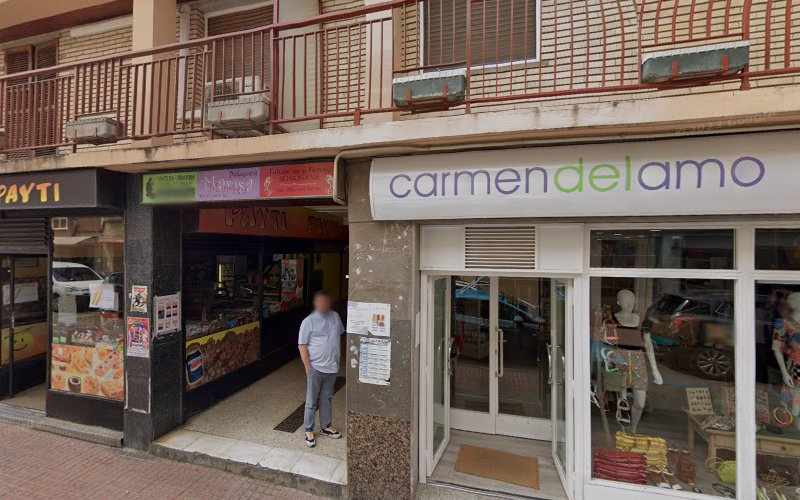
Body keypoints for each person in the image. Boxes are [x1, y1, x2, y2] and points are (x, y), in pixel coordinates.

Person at [298, 290, 344, 448]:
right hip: (316, 368)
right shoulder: (308, 321)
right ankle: (308, 430)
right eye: (321, 301)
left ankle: (326, 426)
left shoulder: (335, 317)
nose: (324, 304)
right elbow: (302, 345)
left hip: (332, 368)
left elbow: (339, 338)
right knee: (311, 401)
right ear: (316, 303)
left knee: (327, 398)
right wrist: (307, 367)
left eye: (326, 301)